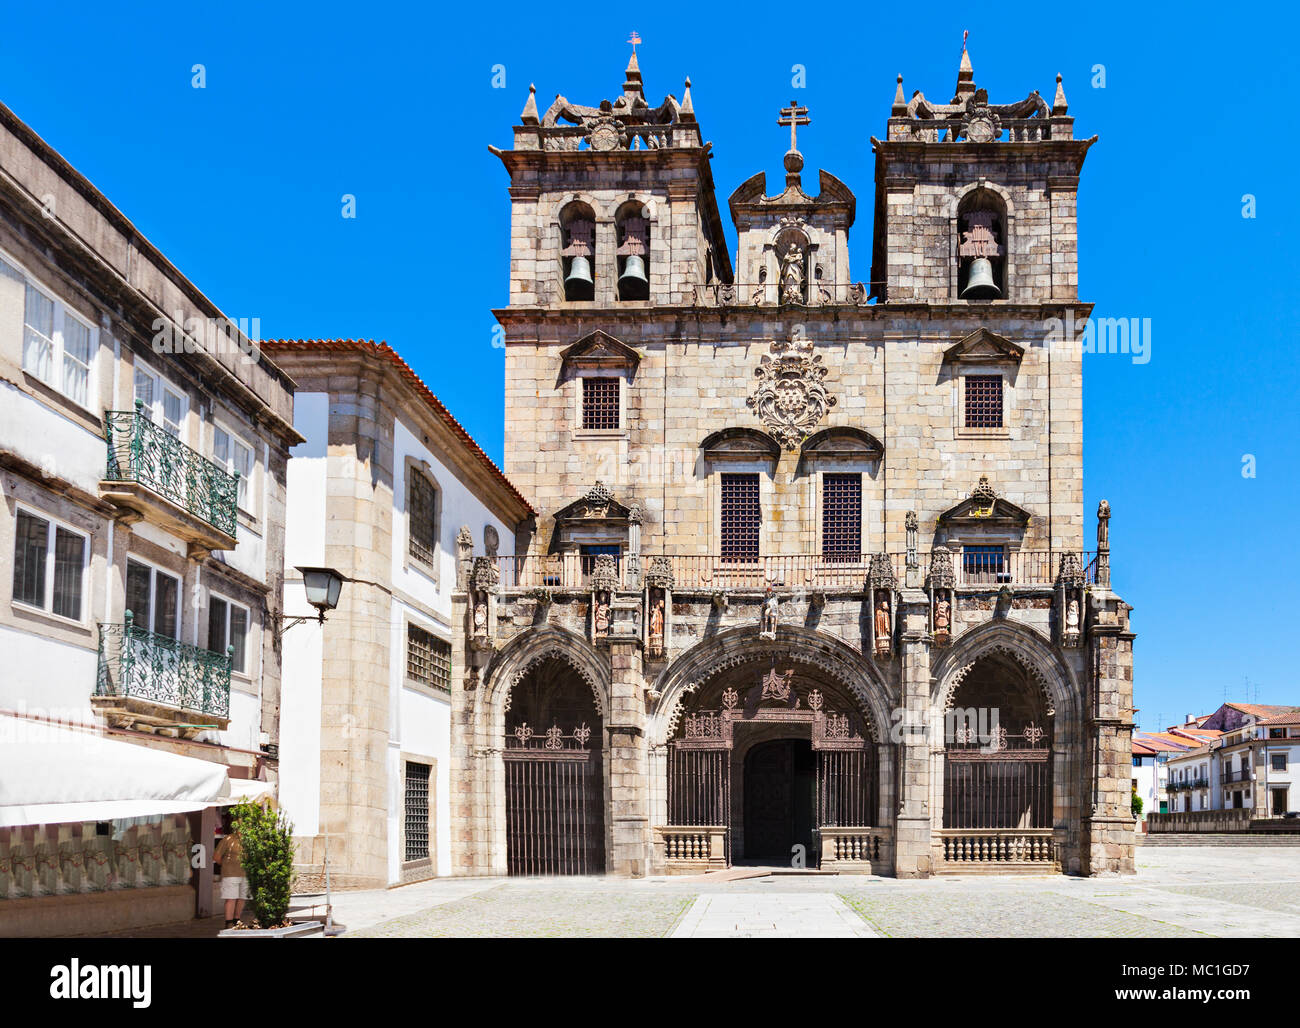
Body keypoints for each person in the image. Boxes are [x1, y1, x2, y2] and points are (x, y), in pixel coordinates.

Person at [215, 819, 247, 927]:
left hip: (245, 874)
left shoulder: (250, 840)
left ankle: (237, 919)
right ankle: (228, 922)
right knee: (231, 898)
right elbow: (217, 857)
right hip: (230, 874)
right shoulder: (228, 839)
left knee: (242, 898)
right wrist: (226, 866)